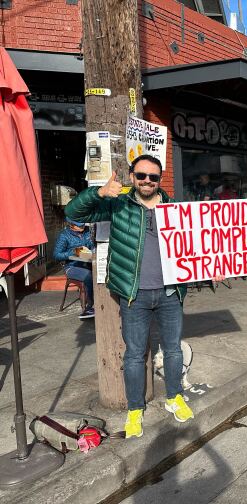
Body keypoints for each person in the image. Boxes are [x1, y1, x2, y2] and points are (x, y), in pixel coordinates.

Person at [65, 154, 224, 439]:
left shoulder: (176, 210)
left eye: (153, 177)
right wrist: (98, 192)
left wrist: (209, 269)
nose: (147, 181)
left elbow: (193, 247)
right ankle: (135, 409)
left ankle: (174, 397)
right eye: (141, 176)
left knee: (173, 350)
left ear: (160, 179)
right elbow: (75, 214)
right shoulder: (117, 205)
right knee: (136, 355)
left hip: (170, 293)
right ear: (132, 177)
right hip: (133, 295)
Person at [53, 217, 95, 319]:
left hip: (88, 263)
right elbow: (56, 255)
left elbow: (91, 246)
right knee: (88, 276)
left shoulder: (87, 232)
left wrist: (93, 247)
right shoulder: (64, 235)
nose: (82, 227)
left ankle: (103, 303)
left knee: (102, 273)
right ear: (71, 225)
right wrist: (73, 252)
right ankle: (89, 307)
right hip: (71, 266)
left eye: (83, 225)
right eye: (79, 225)